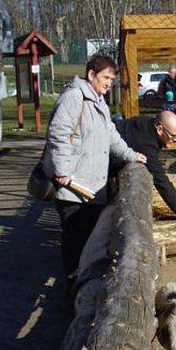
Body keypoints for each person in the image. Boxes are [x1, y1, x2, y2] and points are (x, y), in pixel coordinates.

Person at [42, 54, 147, 281]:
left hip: (92, 184)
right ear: (91, 75)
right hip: (73, 186)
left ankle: (84, 279)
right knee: (75, 237)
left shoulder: (99, 101)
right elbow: (58, 134)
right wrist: (62, 170)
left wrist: (131, 155)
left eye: (111, 78)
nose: (109, 82)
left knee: (91, 237)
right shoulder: (73, 97)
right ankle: (73, 281)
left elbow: (111, 135)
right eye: (106, 77)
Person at [115, 110, 176, 242]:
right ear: (159, 129)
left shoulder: (144, 123)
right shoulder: (146, 145)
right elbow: (162, 182)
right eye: (173, 136)